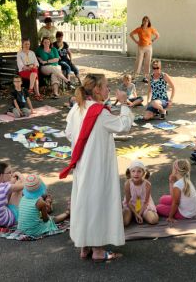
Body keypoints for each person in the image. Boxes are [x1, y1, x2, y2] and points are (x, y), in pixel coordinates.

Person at [62, 73, 132, 262]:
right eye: (106, 86)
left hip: (83, 163)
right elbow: (124, 126)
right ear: (97, 90)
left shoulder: (77, 108)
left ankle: (85, 247)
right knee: (98, 203)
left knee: (84, 201)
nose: (108, 89)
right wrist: (124, 103)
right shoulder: (99, 112)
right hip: (98, 165)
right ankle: (99, 251)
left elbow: (69, 133)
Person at [122, 160, 158, 226]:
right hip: (131, 206)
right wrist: (136, 214)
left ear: (143, 173)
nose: (136, 174)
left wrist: (140, 214)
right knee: (124, 222)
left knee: (154, 220)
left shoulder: (147, 184)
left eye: (139, 171)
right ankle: (132, 214)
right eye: (133, 171)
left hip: (143, 206)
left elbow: (146, 202)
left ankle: (142, 215)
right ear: (130, 173)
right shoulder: (127, 184)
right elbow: (128, 202)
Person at [129, 15, 160, 83]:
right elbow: (131, 34)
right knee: (138, 62)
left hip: (148, 48)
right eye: (144, 21)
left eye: (147, 21)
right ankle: (135, 77)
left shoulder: (151, 29)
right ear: (142, 21)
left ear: (148, 22)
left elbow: (158, 35)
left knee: (147, 62)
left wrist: (152, 40)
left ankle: (145, 77)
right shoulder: (139, 29)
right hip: (141, 48)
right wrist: (136, 41)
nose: (145, 22)